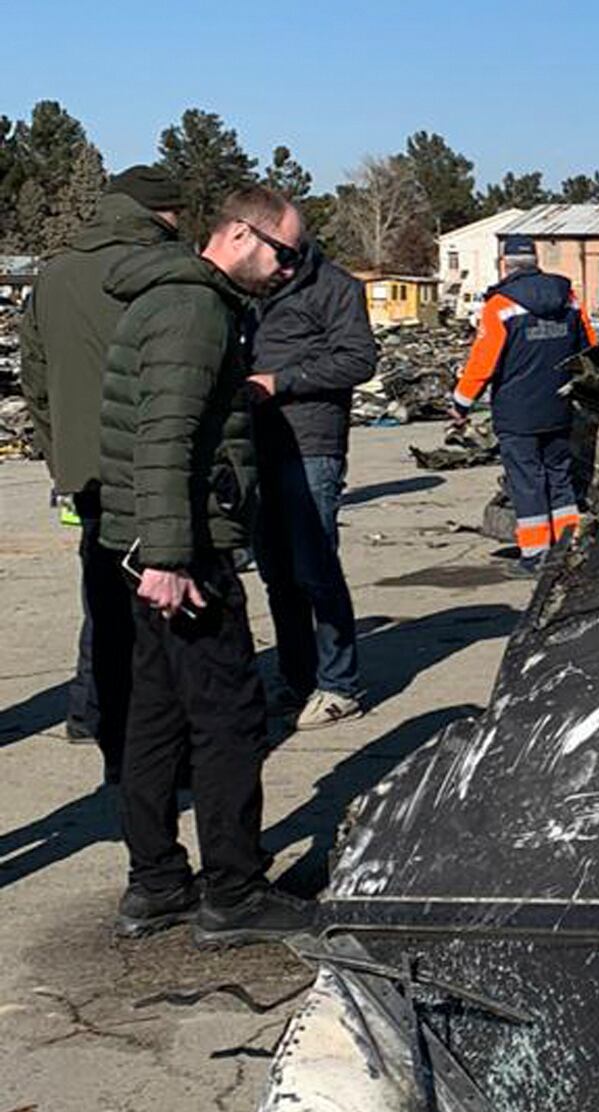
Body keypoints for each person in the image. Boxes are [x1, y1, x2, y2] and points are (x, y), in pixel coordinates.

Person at [96, 186, 318, 945]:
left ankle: (156, 881)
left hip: (149, 545)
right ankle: (233, 889)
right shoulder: (196, 312)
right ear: (238, 234)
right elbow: (166, 435)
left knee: (156, 716)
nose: (290, 270)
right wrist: (168, 555)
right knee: (229, 718)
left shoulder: (174, 300)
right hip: (181, 550)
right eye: (285, 254)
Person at [18, 165, 184, 768]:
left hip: (85, 470)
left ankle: (93, 713)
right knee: (165, 605)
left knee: (103, 594)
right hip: (155, 465)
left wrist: (61, 456)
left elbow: (33, 378)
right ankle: (147, 742)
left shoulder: (54, 275)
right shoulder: (161, 272)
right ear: (161, 215)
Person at [248, 233, 379, 727]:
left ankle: (338, 685)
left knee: (314, 568)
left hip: (311, 445)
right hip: (259, 444)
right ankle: (296, 678)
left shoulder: (334, 287)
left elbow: (358, 359)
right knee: (276, 573)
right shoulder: (253, 289)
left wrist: (281, 382)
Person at [450, 236, 597, 576]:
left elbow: (482, 363)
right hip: (561, 405)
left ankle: (535, 555)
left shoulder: (500, 306)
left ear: (505, 264)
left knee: (527, 481)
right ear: (536, 260)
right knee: (560, 477)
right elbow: (589, 348)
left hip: (518, 412)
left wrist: (461, 403)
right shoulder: (569, 299)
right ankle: (567, 547)